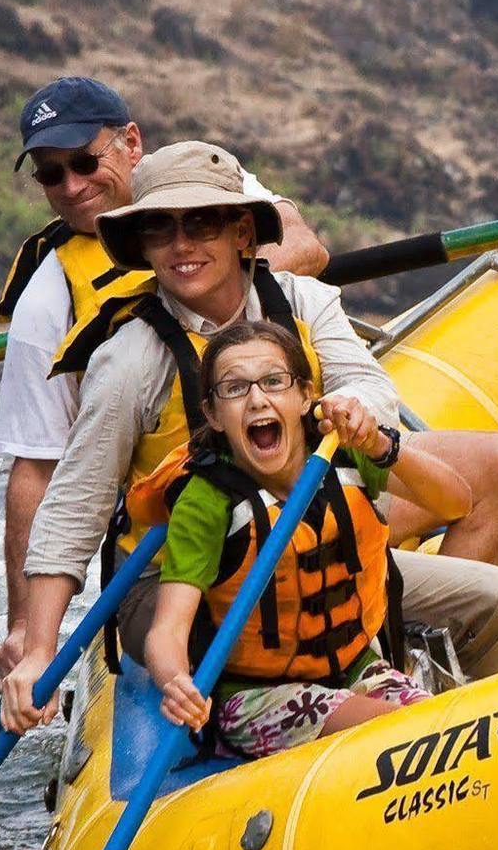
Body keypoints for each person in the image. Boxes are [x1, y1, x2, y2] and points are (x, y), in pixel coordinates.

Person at [0, 142, 498, 732]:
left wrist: (356, 412)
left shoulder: (304, 302)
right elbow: (76, 504)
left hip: (305, 532)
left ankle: (452, 736)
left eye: (201, 222)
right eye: (158, 229)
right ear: (142, 249)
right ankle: (318, 710)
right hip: (186, 571)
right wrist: (39, 646)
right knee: (266, 606)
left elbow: (366, 384)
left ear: (243, 233)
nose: (181, 246)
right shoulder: (128, 362)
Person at [0, 76, 329, 679]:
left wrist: (213, 283)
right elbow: (38, 467)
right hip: (178, 531)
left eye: (84, 162)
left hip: (294, 489)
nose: (71, 186)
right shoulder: (49, 304)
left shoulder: (206, 180)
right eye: (50, 174)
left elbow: (304, 242)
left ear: (130, 143)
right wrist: (25, 631)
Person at [134, 321, 473, 757]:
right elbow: (168, 629)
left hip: (355, 670)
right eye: (235, 389)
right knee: (403, 731)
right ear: (215, 416)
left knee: (438, 721)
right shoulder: (206, 501)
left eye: (274, 382)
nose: (257, 399)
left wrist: (381, 446)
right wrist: (174, 679)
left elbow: (455, 501)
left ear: (305, 396)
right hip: (255, 698)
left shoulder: (344, 454)